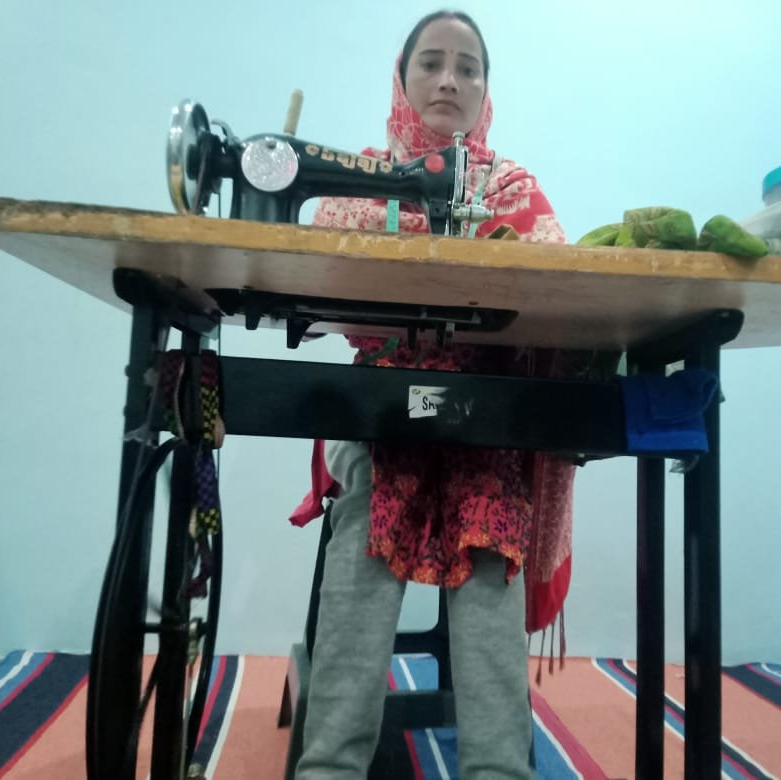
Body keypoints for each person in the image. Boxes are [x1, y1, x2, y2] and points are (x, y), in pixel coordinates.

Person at [292, 10, 578, 779]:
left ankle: (497, 768)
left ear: (486, 89)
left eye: (467, 67)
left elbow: (558, 289)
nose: (449, 80)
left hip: (481, 419)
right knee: (368, 509)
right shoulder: (357, 178)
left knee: (489, 526)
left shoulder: (511, 188)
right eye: (431, 62)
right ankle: (329, 767)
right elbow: (317, 270)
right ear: (402, 77)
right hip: (380, 415)